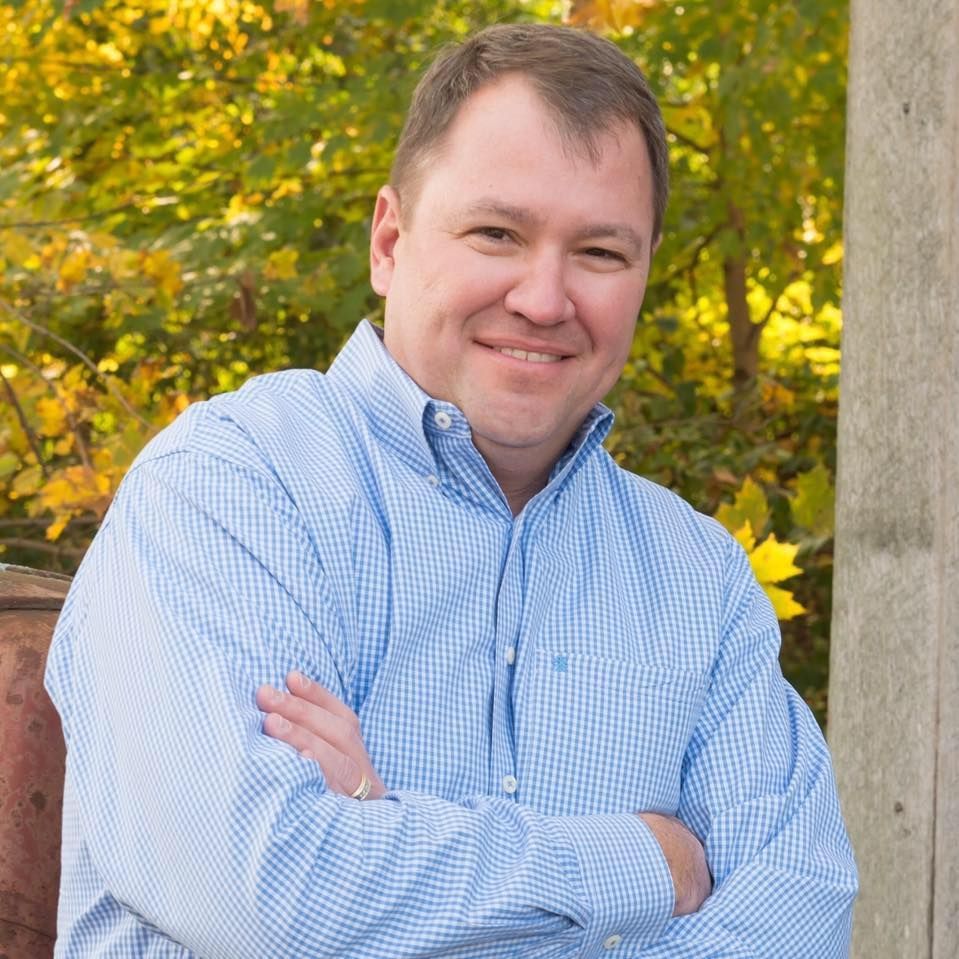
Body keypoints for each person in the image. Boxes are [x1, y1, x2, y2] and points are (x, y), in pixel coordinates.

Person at [45, 22, 857, 958]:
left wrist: (381, 833)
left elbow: (800, 920)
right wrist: (642, 862)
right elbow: (265, 894)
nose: (545, 299)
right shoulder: (232, 489)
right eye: (496, 233)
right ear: (390, 241)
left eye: (599, 252)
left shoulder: (699, 582)